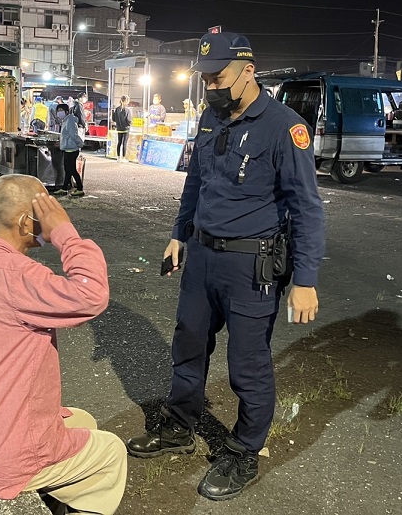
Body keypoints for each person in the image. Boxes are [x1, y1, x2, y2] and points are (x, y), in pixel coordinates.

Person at [125, 31, 325, 501]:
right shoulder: (212, 119)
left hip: (250, 266)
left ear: (248, 71)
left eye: (219, 77)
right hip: (202, 259)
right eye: (206, 78)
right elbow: (196, 180)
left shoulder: (284, 127)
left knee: (247, 365)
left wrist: (305, 280)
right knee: (188, 345)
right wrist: (179, 233)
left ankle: (243, 451)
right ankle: (178, 425)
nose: (211, 86)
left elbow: (308, 209)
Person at [0, 175, 126, 514]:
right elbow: (91, 295)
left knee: (82, 419)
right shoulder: (18, 275)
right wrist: (66, 234)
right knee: (112, 453)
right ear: (27, 221)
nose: (49, 219)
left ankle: (53, 499)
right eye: (45, 211)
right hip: (2, 458)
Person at [55, 104, 85, 198]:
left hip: (72, 149)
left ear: (66, 111)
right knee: (67, 170)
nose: (59, 112)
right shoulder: (65, 120)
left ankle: (80, 188)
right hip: (67, 148)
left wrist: (80, 144)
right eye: (58, 110)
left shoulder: (70, 121)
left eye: (61, 110)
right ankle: (64, 188)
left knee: (71, 170)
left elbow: (74, 135)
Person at [111, 95, 132, 162]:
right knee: (124, 143)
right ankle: (123, 158)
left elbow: (113, 119)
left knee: (119, 143)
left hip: (119, 128)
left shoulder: (117, 109)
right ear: (126, 101)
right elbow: (128, 121)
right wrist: (131, 122)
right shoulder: (127, 110)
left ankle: (118, 157)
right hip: (126, 129)